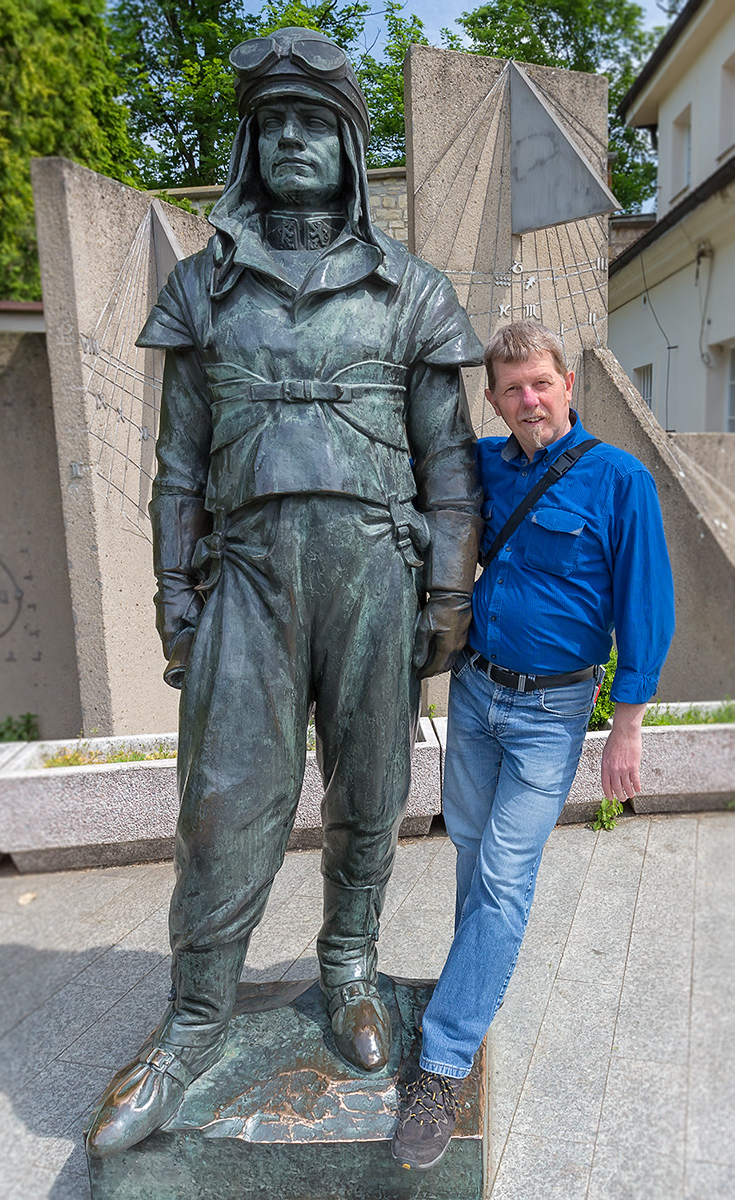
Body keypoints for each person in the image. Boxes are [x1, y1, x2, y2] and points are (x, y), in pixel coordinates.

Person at [86, 27, 483, 1157]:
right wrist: (173, 594)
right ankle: (194, 1019)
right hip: (247, 582)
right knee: (221, 805)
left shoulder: (410, 292)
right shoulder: (202, 288)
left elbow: (450, 466)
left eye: (315, 123)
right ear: (248, 146)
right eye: (274, 125)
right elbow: (176, 465)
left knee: (370, 788)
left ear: (349, 145)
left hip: (374, 572)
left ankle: (349, 966)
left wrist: (445, 599)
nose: (293, 141)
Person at [391, 320, 675, 1171]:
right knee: (472, 860)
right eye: (512, 388)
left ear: (567, 385)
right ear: (493, 399)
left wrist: (626, 726)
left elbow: (647, 605)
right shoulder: (483, 464)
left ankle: (442, 1064)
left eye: (541, 383)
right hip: (476, 693)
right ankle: (466, 1005)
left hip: (553, 714)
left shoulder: (619, 479)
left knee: (505, 879)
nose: (529, 400)